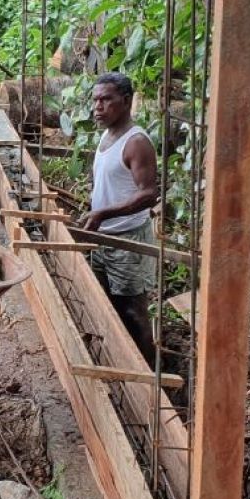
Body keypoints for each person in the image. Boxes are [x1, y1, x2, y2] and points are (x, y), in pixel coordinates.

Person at [77, 73, 159, 365]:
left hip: (127, 241)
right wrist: (94, 209)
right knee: (106, 304)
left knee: (133, 311)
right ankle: (118, 363)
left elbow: (149, 194)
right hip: (104, 237)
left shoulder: (136, 143)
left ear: (126, 101)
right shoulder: (107, 134)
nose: (98, 106)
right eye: (96, 99)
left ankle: (149, 379)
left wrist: (104, 213)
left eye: (106, 99)